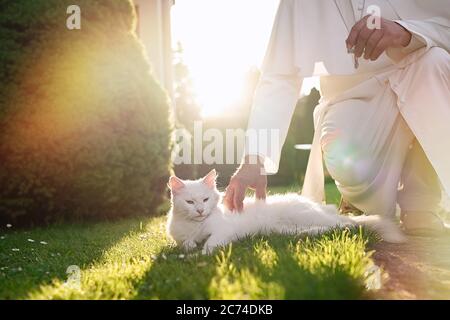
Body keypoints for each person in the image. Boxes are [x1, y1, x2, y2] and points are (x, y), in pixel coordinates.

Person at [223, 0, 450, 235]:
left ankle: (421, 202)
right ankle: (359, 201)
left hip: (419, 70)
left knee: (436, 64)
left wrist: (406, 33)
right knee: (348, 161)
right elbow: (280, 75)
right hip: (350, 101)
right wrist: (254, 159)